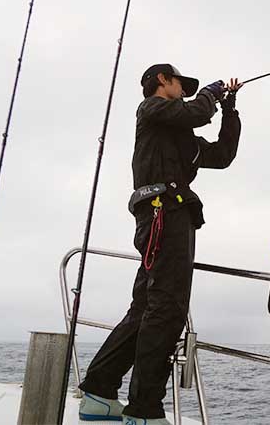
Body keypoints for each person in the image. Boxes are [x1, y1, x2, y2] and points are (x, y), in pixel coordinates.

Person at [77, 63, 242, 424]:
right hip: (163, 215)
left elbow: (223, 155)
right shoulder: (150, 110)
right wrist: (212, 94)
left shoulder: (183, 139)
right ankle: (144, 411)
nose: (185, 89)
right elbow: (196, 112)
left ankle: (98, 394)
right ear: (162, 81)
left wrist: (229, 109)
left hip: (163, 219)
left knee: (145, 309)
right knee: (166, 309)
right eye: (181, 83)